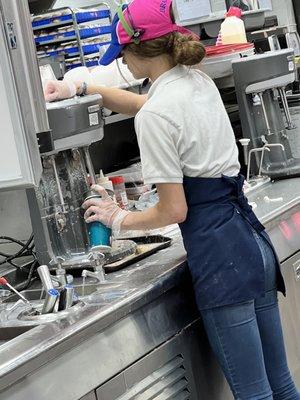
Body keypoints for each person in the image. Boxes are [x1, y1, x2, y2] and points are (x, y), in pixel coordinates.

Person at [44, 0, 300, 398]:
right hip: (252, 246)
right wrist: (80, 88)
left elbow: (173, 210)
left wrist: (118, 218)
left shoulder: (159, 114)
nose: (123, 64)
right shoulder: (197, 82)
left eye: (123, 54)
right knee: (281, 386)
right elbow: (148, 106)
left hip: (220, 260)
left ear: (137, 50)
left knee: (254, 395)